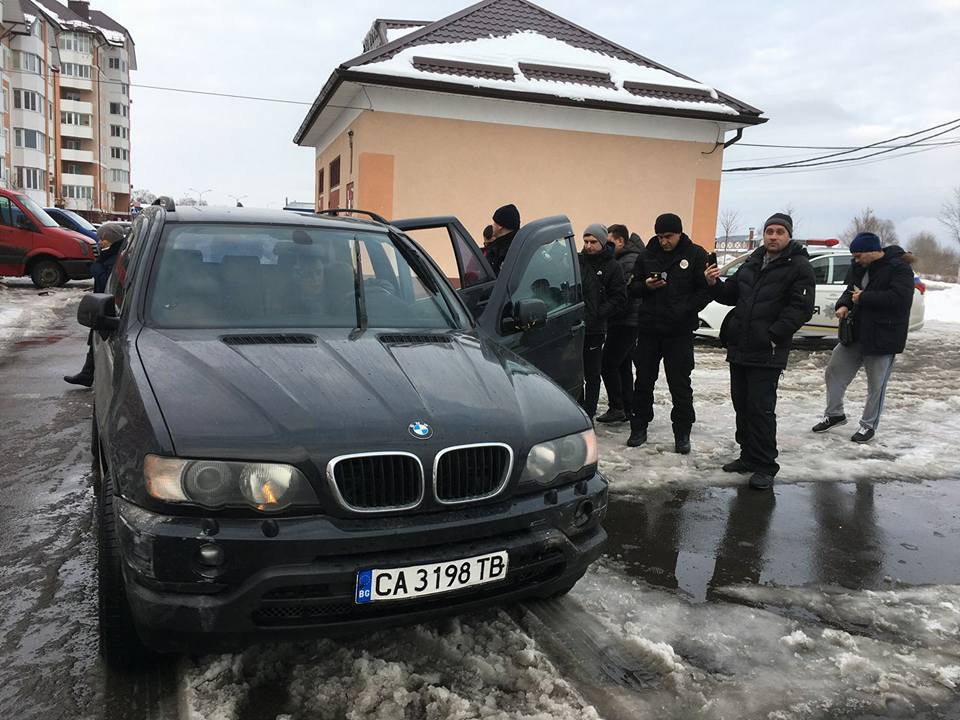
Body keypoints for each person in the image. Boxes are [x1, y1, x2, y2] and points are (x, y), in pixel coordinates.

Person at [705, 212, 815, 489]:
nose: (773, 236)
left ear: (789, 236)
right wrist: (713, 283)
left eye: (779, 232)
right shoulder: (753, 262)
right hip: (740, 347)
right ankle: (748, 456)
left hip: (767, 350)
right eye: (770, 232)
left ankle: (766, 464)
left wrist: (772, 335)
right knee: (741, 405)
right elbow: (731, 294)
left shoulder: (799, 266)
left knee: (761, 409)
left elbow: (799, 309)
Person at [812, 232, 915, 443]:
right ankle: (835, 414)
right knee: (834, 371)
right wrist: (843, 305)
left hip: (883, 336)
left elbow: (900, 299)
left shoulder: (899, 268)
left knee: (876, 385)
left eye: (859, 256)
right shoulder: (858, 267)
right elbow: (850, 291)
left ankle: (868, 426)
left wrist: (863, 298)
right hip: (856, 332)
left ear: (872, 251)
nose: (856, 260)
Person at [625, 213, 710, 454]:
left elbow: (704, 292)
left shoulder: (695, 255)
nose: (664, 241)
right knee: (643, 382)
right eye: (660, 236)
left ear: (679, 233)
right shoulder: (647, 255)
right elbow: (632, 287)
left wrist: (685, 309)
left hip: (679, 332)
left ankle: (682, 433)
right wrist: (646, 287)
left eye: (669, 236)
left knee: (680, 385)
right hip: (650, 330)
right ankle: (639, 427)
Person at [64, 222, 127, 387]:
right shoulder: (111, 254)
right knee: (94, 337)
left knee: (106, 341)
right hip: (104, 303)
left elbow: (107, 281)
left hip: (111, 305)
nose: (99, 241)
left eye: (102, 238)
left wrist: (96, 266)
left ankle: (100, 377)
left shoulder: (116, 257)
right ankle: (86, 374)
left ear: (111, 238)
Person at [596, 225, 644, 423]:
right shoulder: (623, 259)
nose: (607, 247)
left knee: (608, 364)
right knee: (622, 365)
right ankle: (626, 406)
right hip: (624, 320)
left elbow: (623, 294)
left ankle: (617, 406)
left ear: (621, 241)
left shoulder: (628, 261)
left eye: (610, 242)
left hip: (626, 321)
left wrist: (607, 310)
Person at [578, 224, 627, 420]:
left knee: (592, 373)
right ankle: (577, 408)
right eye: (586, 242)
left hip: (595, 329)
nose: (588, 246)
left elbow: (619, 297)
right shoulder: (578, 262)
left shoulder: (612, 266)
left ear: (602, 242)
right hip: (575, 325)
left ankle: (588, 412)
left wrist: (599, 313)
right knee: (575, 373)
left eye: (593, 242)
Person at [485, 204, 521, 275]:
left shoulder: (505, 250)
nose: (492, 225)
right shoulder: (521, 241)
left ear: (500, 226)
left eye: (494, 223)